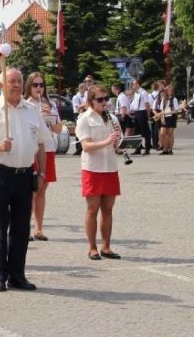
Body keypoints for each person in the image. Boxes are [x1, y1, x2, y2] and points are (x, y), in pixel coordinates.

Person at [0, 68, 50, 292]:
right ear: (2, 85)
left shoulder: (32, 110)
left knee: (21, 227)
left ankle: (17, 274)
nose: (16, 85)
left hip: (24, 173)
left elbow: (42, 143)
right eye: (11, 81)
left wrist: (42, 172)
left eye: (19, 81)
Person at [75, 85, 122, 261]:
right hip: (93, 168)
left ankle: (106, 247)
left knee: (108, 209)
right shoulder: (84, 119)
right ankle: (92, 247)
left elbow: (117, 145)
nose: (104, 103)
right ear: (91, 101)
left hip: (110, 167)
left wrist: (120, 144)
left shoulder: (113, 119)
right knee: (92, 208)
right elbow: (86, 146)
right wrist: (107, 141)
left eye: (106, 99)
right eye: (100, 100)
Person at [24, 72, 61, 242]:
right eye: (35, 85)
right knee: (31, 189)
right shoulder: (25, 104)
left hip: (48, 148)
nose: (39, 88)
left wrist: (51, 116)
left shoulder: (50, 104)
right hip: (31, 150)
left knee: (43, 188)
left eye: (41, 85)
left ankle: (39, 228)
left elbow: (58, 129)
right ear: (29, 86)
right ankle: (26, 227)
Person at [155, 84, 180, 155]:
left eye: (171, 91)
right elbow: (162, 110)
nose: (169, 92)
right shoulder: (163, 99)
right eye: (168, 91)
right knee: (162, 133)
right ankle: (165, 148)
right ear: (166, 91)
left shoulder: (174, 99)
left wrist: (166, 113)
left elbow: (176, 110)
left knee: (169, 134)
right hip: (165, 117)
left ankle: (170, 149)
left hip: (172, 117)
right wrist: (162, 117)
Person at [130, 80, 153, 155]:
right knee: (136, 132)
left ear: (137, 84)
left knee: (145, 132)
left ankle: (147, 148)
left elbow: (147, 104)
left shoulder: (144, 92)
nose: (132, 86)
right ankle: (138, 148)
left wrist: (148, 115)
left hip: (142, 112)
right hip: (137, 112)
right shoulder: (136, 93)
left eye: (133, 84)